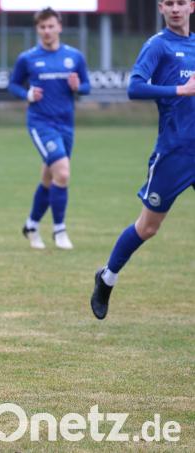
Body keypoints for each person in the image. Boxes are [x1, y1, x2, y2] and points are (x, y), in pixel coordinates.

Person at [90, 0, 195, 319]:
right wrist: (180, 90)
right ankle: (107, 278)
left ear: (191, 5)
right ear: (161, 7)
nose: (175, 8)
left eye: (181, 2)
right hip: (174, 152)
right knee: (148, 227)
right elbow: (135, 88)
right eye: (169, 3)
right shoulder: (157, 46)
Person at [8, 8, 90, 250]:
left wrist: (79, 86)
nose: (47, 31)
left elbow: (87, 87)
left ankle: (31, 225)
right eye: (42, 27)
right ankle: (60, 230)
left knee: (49, 177)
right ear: (37, 29)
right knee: (62, 173)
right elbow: (12, 84)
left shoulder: (74, 57)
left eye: (50, 26)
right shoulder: (28, 58)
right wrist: (27, 94)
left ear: (60, 27)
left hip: (66, 124)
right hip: (40, 123)